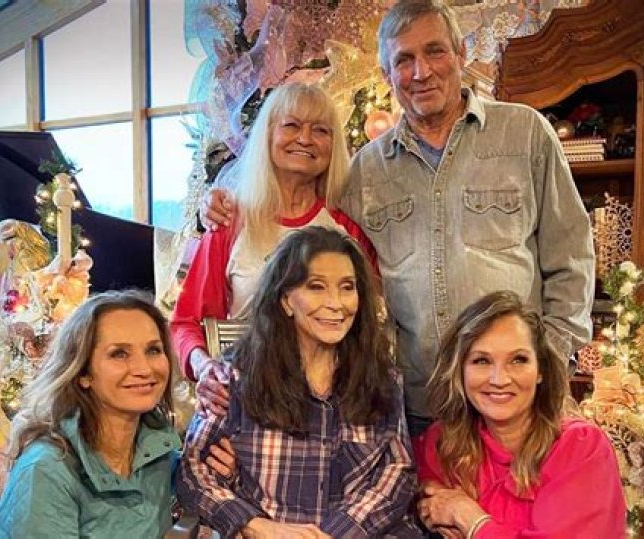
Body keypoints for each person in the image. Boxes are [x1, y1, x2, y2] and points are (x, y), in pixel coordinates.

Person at [200, 0, 595, 436]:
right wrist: (227, 203)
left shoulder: (525, 134)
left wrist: (549, 363)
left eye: (434, 51)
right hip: (421, 408)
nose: (421, 72)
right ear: (387, 75)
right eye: (404, 60)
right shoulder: (366, 171)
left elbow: (571, 258)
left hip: (519, 399)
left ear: (461, 53)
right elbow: (303, 220)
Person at [176, 226, 420, 538]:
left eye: (347, 287)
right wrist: (257, 526)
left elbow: (398, 472)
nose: (336, 303)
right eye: (316, 287)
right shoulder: (235, 375)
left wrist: (336, 534)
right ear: (286, 300)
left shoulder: (382, 378)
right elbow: (193, 471)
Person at [171, 82, 377, 413]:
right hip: (247, 401)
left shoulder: (346, 231)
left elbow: (371, 324)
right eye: (292, 125)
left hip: (332, 409)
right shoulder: (229, 224)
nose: (305, 139)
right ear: (267, 136)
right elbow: (186, 323)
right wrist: (205, 367)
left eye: (320, 130)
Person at [415, 291, 626, 538]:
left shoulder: (580, 446)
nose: (499, 379)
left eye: (518, 360)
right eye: (481, 361)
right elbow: (419, 485)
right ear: (459, 371)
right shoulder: (442, 441)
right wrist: (428, 497)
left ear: (540, 370)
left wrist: (468, 518)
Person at [0, 290, 181, 538]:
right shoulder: (47, 469)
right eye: (119, 353)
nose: (144, 368)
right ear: (83, 373)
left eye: (153, 350)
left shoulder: (160, 451)